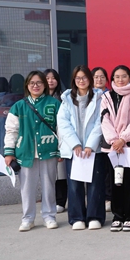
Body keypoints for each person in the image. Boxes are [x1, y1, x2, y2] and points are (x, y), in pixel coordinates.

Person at [4, 71, 61, 231]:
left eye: (39, 83)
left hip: (49, 150)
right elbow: (11, 131)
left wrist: (61, 150)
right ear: (27, 86)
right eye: (32, 83)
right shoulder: (18, 106)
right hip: (25, 152)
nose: (35, 86)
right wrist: (9, 152)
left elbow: (61, 129)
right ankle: (28, 218)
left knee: (49, 186)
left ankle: (49, 216)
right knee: (27, 188)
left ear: (44, 85)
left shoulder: (54, 104)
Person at [57, 65, 107, 230]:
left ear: (90, 79)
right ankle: (77, 217)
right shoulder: (66, 99)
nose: (81, 81)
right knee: (74, 185)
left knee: (95, 184)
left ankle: (95, 217)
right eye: (78, 78)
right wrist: (75, 144)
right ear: (74, 80)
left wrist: (90, 145)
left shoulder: (100, 98)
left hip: (94, 149)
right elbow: (63, 124)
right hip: (74, 150)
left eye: (84, 77)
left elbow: (101, 122)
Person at [100, 65, 130, 232]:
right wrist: (114, 141)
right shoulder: (106, 96)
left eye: (124, 76)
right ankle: (118, 216)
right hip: (112, 148)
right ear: (112, 79)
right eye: (117, 76)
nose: (120, 80)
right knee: (114, 183)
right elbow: (104, 119)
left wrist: (123, 139)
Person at [45, 68, 68, 213]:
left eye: (53, 78)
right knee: (47, 174)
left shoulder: (63, 97)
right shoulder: (38, 99)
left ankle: (60, 201)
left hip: (60, 138)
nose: (50, 81)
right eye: (47, 78)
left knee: (61, 173)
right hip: (44, 141)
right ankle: (49, 201)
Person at [92, 66, 111, 212]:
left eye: (102, 77)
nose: (99, 79)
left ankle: (108, 198)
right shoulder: (88, 96)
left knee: (108, 170)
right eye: (96, 77)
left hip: (108, 138)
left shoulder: (111, 95)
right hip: (92, 140)